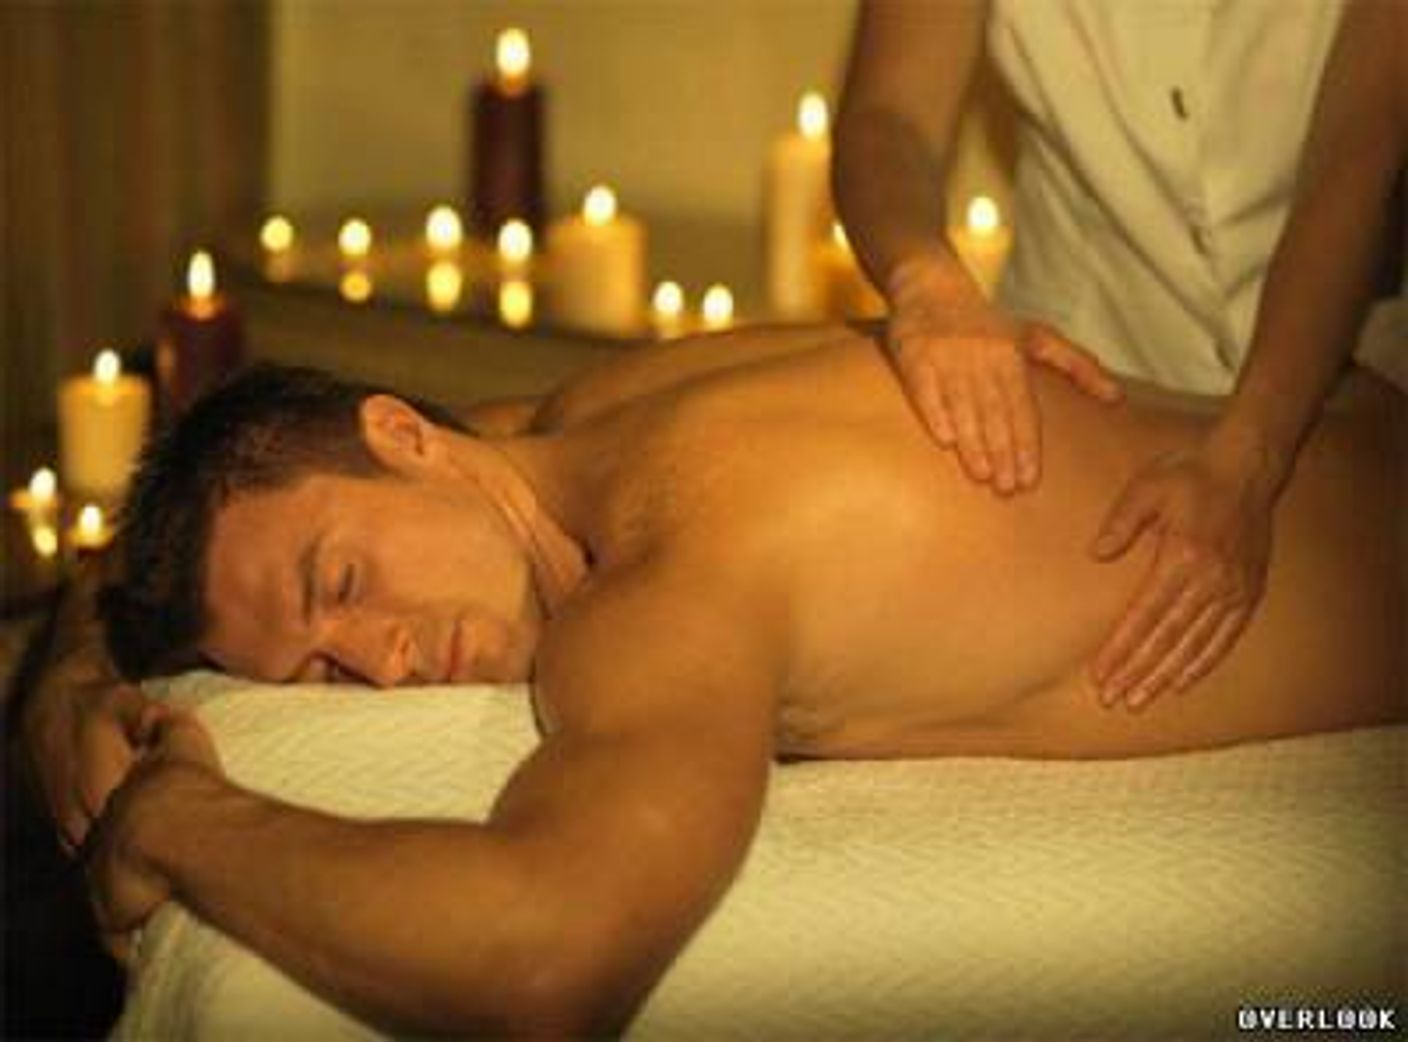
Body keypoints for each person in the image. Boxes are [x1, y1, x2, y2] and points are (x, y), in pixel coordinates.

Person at [76, 322, 1402, 1035]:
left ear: (406, 436)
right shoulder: (622, 396)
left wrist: (179, 820)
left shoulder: (658, 597)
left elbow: (542, 958)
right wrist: (72, 680)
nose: (383, 661)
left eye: (345, 582)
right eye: (322, 671)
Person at [832, 0, 1405, 710]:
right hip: (1089, 359)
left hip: (1343, 383)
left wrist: (1250, 457)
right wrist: (926, 279)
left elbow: (1357, 158)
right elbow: (889, 116)